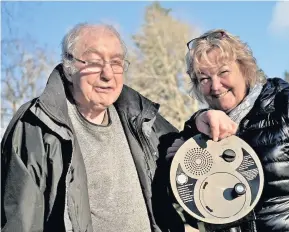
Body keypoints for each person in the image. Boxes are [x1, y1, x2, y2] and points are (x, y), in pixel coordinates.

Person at [1, 23, 184, 232]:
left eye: (116, 62)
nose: (108, 74)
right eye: (95, 62)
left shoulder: (140, 117)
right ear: (69, 69)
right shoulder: (35, 124)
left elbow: (187, 159)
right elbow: (20, 222)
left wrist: (202, 119)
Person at [168, 29, 289, 231]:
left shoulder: (283, 104)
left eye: (223, 72)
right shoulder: (200, 130)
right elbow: (177, 191)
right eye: (204, 78)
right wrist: (198, 121)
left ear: (244, 68)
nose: (215, 86)